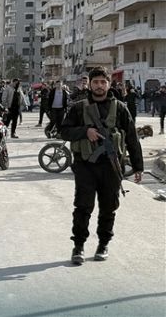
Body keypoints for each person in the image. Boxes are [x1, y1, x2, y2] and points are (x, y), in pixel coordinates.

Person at [59, 67, 143, 265]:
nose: (99, 86)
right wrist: (85, 131)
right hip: (85, 165)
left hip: (111, 166)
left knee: (108, 207)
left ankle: (103, 244)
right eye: (95, 82)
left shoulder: (120, 108)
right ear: (90, 84)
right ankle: (78, 246)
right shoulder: (79, 108)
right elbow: (64, 131)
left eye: (103, 82)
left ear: (109, 84)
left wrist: (138, 166)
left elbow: (132, 138)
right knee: (83, 206)